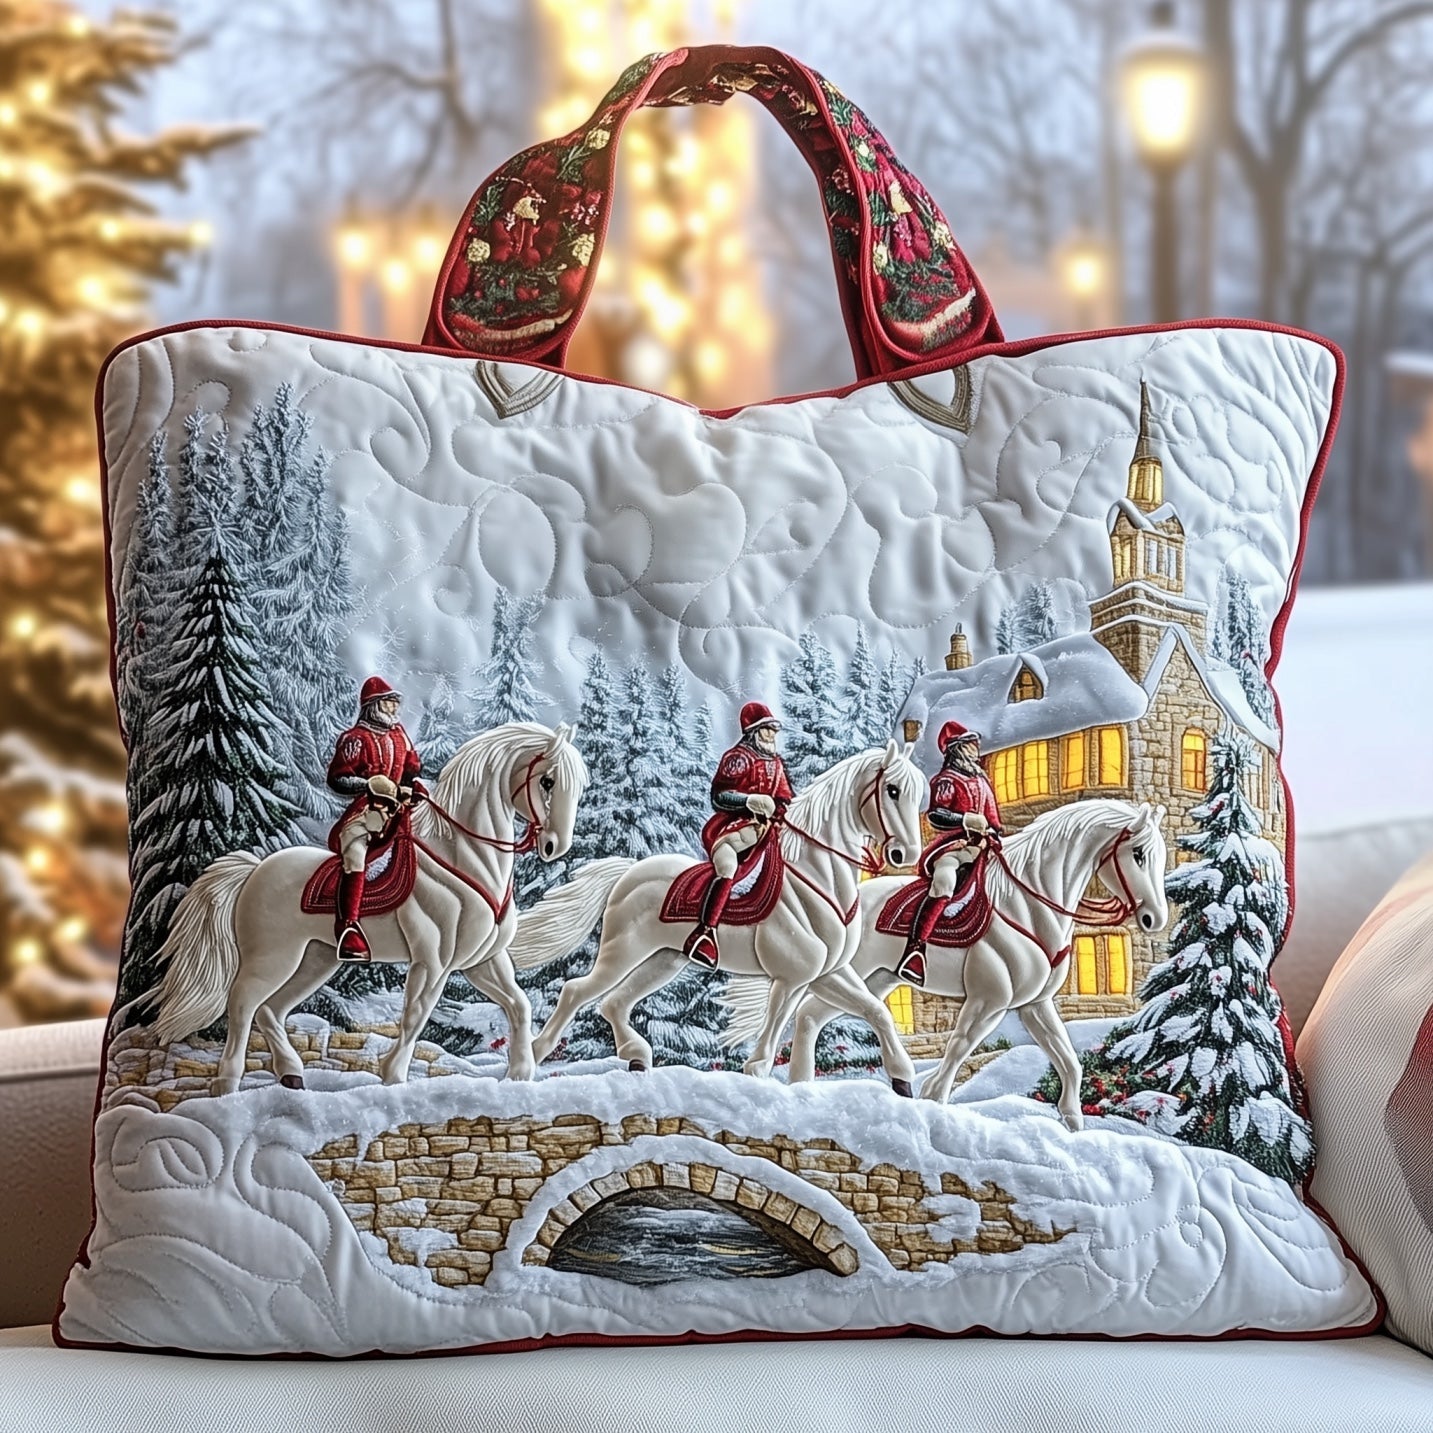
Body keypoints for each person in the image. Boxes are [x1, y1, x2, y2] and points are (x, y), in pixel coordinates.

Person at [683, 701, 795, 971]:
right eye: (767, 729)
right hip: (732, 826)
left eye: (773, 730)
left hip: (769, 828)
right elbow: (719, 796)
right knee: (727, 865)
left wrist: (780, 811)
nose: (772, 735)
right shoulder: (737, 758)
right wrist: (748, 801)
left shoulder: (776, 763)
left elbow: (784, 798)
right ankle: (705, 932)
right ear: (754, 731)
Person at [325, 676, 425, 962]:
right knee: (355, 852)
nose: (394, 709)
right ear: (373, 706)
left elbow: (411, 769)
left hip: (400, 808)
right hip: (366, 809)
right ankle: (348, 927)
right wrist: (368, 784)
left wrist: (412, 786)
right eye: (388, 703)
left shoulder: (400, 735)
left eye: (395, 703)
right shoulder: (355, 739)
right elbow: (337, 779)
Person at [897, 719, 1002, 988]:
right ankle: (915, 949)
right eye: (970, 745)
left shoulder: (982, 780)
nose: (975, 749)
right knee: (944, 881)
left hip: (985, 846)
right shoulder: (946, 780)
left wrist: (994, 833)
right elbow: (936, 815)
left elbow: (993, 818)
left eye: (975, 744)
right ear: (957, 749)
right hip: (954, 846)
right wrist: (964, 819)